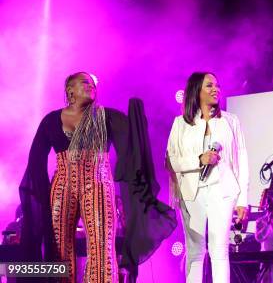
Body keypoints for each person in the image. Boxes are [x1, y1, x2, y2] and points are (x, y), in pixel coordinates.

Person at [19, 72, 177, 283]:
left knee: (102, 247)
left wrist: (137, 116)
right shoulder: (51, 120)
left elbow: (132, 145)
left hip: (98, 184)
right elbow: (36, 159)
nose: (91, 85)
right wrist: (40, 193)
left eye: (93, 83)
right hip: (61, 186)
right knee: (59, 246)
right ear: (70, 90)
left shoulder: (107, 116)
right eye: (85, 82)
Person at [166, 72, 249, 283]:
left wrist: (242, 201)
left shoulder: (231, 121)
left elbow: (241, 161)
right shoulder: (181, 123)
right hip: (191, 193)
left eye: (217, 85)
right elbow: (170, 161)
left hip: (222, 191)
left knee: (219, 249)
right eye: (209, 85)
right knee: (194, 250)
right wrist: (198, 159)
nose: (216, 89)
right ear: (196, 91)